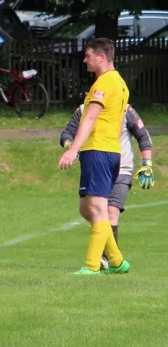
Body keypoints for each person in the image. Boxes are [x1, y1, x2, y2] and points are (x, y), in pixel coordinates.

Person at [58, 38, 131, 275]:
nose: (85, 60)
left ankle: (91, 267)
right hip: (108, 150)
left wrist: (72, 149)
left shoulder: (105, 83)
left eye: (88, 55)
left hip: (99, 151)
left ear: (101, 57)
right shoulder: (120, 83)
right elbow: (118, 125)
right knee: (86, 208)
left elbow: (89, 118)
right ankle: (117, 260)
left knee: (97, 207)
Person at [60, 103, 154, 269]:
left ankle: (105, 260)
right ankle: (115, 257)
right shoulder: (84, 109)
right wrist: (71, 148)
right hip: (95, 168)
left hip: (121, 169)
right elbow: (66, 134)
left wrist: (147, 164)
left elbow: (143, 137)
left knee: (110, 211)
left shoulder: (125, 109)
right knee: (86, 210)